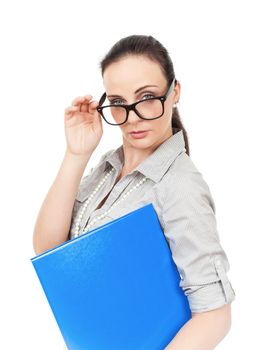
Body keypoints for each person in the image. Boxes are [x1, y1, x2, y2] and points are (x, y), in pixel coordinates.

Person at [33, 35, 235, 349]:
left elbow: (215, 314)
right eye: (117, 103)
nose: (134, 116)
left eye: (148, 97)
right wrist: (76, 154)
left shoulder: (180, 185)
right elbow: (49, 249)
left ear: (175, 92)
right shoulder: (108, 167)